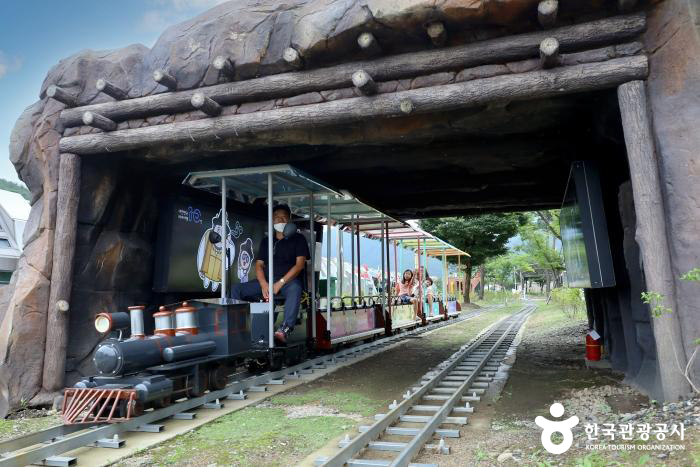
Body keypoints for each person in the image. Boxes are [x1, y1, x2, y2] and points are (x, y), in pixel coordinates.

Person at [231, 204, 310, 344]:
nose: (279, 221)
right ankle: (238, 328)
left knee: (295, 288)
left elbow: (299, 266)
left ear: (289, 220)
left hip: (288, 282)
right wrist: (263, 284)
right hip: (267, 281)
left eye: (283, 218)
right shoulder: (267, 241)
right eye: (276, 218)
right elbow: (259, 264)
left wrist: (280, 283)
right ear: (272, 221)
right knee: (236, 289)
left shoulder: (299, 239)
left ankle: (284, 329)